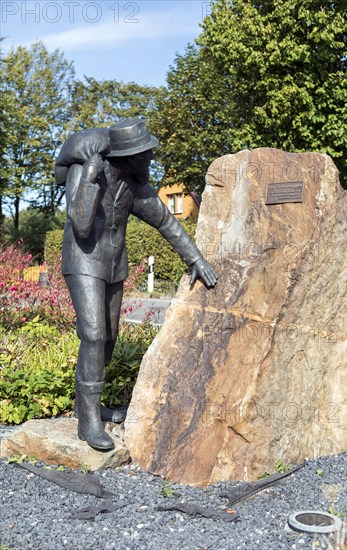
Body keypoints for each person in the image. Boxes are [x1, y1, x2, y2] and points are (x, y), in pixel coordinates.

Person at [60, 118, 217, 451]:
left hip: (113, 264)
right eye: (146, 153)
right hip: (83, 260)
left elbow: (164, 220)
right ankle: (88, 421)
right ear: (129, 155)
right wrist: (88, 178)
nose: (150, 158)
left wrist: (195, 259)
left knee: (109, 337)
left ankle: (87, 405)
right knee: (93, 334)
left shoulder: (134, 185)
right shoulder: (86, 173)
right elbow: (82, 225)